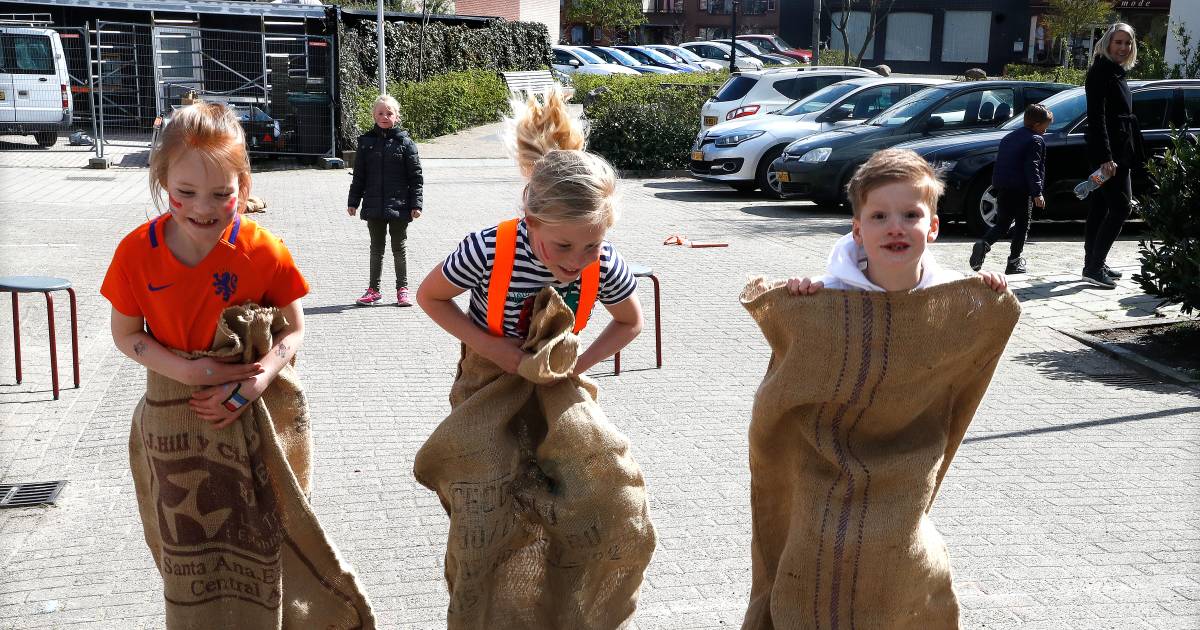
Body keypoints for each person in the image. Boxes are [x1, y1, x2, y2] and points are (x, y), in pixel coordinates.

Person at [102, 100, 308, 427]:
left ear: (242, 187)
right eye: (186, 190)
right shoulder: (136, 253)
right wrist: (188, 371)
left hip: (254, 411)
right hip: (170, 414)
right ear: (163, 179)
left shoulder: (265, 250)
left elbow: (295, 329)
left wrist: (253, 385)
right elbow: (126, 335)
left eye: (219, 193)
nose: (202, 208)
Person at [416, 86, 642, 376]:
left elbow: (631, 321)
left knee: (582, 423)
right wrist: (489, 347)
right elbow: (430, 296)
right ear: (531, 221)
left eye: (591, 245)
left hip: (559, 374)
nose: (576, 260)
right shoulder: (488, 250)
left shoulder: (606, 263)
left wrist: (579, 366)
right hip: (489, 374)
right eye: (563, 245)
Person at [787, 148, 1009, 295]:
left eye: (911, 215)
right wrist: (797, 297)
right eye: (879, 216)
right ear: (857, 231)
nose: (895, 229)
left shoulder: (951, 292)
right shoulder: (829, 293)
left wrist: (990, 291)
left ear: (932, 228)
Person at [1082, 22, 1143, 289]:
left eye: (1127, 43)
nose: (1123, 47)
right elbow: (1097, 118)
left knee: (1100, 208)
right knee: (1121, 208)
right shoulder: (1101, 72)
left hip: (1120, 153)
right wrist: (1106, 157)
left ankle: (1092, 264)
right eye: (1118, 42)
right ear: (1108, 43)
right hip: (1109, 156)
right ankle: (1094, 267)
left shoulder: (1115, 72)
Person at [348, 94, 424, 306]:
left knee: (399, 248)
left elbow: (416, 177)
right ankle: (373, 290)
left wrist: (416, 204)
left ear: (397, 117)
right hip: (373, 206)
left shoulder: (406, 143)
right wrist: (353, 202)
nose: (384, 116)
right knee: (376, 248)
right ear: (373, 115)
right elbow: (359, 175)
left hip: (400, 206)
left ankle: (403, 289)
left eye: (389, 113)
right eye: (380, 113)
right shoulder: (365, 142)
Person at [970, 103, 1052, 275]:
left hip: (1004, 188)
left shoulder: (1009, 137)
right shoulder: (1036, 140)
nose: (1047, 129)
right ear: (1037, 125)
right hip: (1022, 191)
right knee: (1022, 226)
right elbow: (1033, 167)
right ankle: (1014, 261)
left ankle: (984, 244)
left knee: (1002, 224)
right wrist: (1037, 192)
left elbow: (1001, 164)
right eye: (1046, 125)